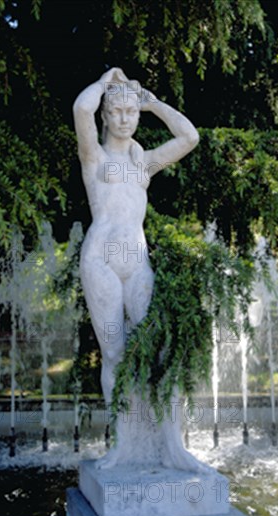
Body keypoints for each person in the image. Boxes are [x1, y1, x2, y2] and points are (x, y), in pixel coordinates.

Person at [73, 68, 203, 470]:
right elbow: (81, 107)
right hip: (102, 262)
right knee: (114, 354)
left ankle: (172, 448)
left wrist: (151, 101)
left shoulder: (144, 164)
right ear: (106, 117)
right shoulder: (94, 158)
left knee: (160, 352)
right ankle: (122, 446)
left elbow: (189, 138)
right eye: (118, 112)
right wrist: (104, 83)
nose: (126, 118)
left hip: (137, 263)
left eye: (132, 112)